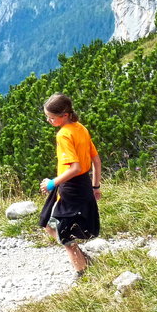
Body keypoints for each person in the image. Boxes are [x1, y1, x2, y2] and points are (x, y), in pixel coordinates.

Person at [39, 93, 102, 277]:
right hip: (81, 184)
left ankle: (83, 274)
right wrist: (95, 187)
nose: (49, 121)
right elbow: (96, 161)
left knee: (62, 231)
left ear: (64, 115)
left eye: (51, 117)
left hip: (70, 186)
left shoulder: (64, 135)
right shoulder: (80, 128)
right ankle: (83, 259)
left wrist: (52, 183)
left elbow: (74, 168)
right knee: (47, 222)